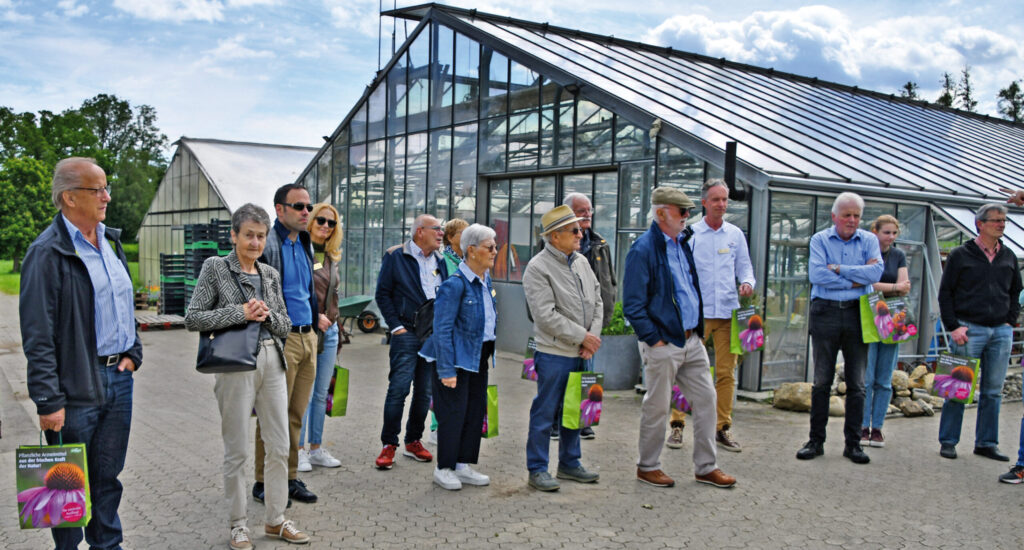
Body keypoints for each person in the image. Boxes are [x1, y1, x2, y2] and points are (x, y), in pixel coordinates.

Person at [21, 157, 143, 550]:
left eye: (107, 187)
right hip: (74, 387)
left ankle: (108, 545)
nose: (107, 197)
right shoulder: (47, 252)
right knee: (67, 483)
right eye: (98, 189)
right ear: (70, 198)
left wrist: (133, 352)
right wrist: (47, 399)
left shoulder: (110, 241)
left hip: (118, 379)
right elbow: (37, 334)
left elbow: (123, 303)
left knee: (108, 477)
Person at [185, 203, 310, 548]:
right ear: (234, 235)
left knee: (280, 445)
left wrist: (267, 315)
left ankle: (275, 519)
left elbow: (285, 324)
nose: (255, 243)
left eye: (261, 236)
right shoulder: (215, 267)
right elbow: (193, 317)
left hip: (273, 361)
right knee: (237, 449)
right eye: (249, 235)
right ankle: (238, 524)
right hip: (235, 363)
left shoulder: (269, 274)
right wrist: (239, 312)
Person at [623, 187, 736, 489]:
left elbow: (689, 288)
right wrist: (654, 339)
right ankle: (647, 467)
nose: (688, 216)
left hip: (691, 340)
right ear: (661, 213)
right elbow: (633, 304)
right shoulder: (643, 250)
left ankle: (706, 467)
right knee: (657, 406)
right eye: (682, 211)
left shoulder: (681, 243)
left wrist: (696, 332)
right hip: (664, 342)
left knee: (707, 399)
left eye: (688, 211)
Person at [666, 180, 755, 452]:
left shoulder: (735, 234)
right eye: (716, 199)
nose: (722, 204)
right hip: (698, 316)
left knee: (727, 373)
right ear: (704, 202)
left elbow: (745, 268)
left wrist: (747, 283)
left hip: (728, 312)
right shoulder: (691, 233)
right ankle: (677, 425)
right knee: (684, 369)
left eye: (725, 199)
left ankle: (722, 427)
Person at [796, 192, 882, 465]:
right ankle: (816, 441)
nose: (852, 220)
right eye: (847, 215)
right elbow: (817, 275)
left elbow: (876, 273)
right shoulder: (819, 240)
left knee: (857, 383)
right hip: (826, 312)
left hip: (858, 314)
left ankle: (853, 444)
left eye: (856, 215)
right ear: (834, 216)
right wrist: (856, 278)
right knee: (822, 381)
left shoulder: (869, 240)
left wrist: (838, 269)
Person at [523, 204, 604, 492]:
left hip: (583, 351)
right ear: (555, 236)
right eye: (574, 231)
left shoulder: (581, 261)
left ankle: (570, 463)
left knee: (576, 409)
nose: (581, 234)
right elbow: (545, 316)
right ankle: (537, 468)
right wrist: (583, 337)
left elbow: (598, 300)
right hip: (554, 353)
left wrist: (591, 339)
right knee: (545, 412)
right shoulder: (537, 268)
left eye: (579, 229)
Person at [252, 183, 320, 505]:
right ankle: (263, 481)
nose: (306, 212)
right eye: (299, 206)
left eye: (308, 206)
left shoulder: (304, 242)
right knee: (272, 414)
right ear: (280, 209)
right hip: (281, 338)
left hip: (308, 337)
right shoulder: (268, 243)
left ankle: (290, 477)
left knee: (295, 414)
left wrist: (315, 330)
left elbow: (307, 290)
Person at [938, 203, 1021, 462]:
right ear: (980, 224)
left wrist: (1009, 322)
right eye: (996, 220)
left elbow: (1015, 292)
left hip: (1000, 331)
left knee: (993, 391)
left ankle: (986, 443)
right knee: (957, 388)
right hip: (968, 330)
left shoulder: (1008, 256)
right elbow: (945, 293)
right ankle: (948, 441)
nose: (1001, 225)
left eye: (1003, 221)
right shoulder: (960, 255)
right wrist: (953, 326)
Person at [419, 224, 499, 490]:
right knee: (453, 413)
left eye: (495, 246)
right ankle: (443, 468)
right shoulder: (454, 285)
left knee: (474, 411)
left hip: (479, 355)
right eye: (490, 247)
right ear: (472, 250)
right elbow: (442, 329)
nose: (495, 251)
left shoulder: (486, 281)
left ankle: (462, 464)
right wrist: (446, 370)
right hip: (455, 359)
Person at [374, 214, 450, 469]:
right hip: (405, 332)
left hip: (431, 336)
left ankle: (413, 441)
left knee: (424, 392)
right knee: (399, 389)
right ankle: (389, 444)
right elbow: (383, 294)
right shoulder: (396, 255)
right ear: (420, 231)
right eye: (436, 229)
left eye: (441, 229)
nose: (441, 233)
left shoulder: (440, 260)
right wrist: (396, 327)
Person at [561, 193, 616, 440]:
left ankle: (584, 421)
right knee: (561, 373)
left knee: (586, 371)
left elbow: (608, 283)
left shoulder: (600, 244)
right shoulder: (555, 242)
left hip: (592, 321)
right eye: (581, 210)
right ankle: (558, 420)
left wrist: (602, 321)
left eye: (589, 210)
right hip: (565, 323)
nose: (587, 214)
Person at [297, 203, 344, 472]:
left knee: (321, 394)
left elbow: (332, 294)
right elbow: (293, 292)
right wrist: (314, 316)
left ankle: (315, 448)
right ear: (311, 221)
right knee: (303, 393)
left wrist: (335, 322)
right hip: (308, 329)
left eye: (332, 223)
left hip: (331, 331)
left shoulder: (331, 256)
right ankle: (298, 450)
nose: (326, 226)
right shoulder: (300, 251)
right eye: (321, 220)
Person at [861, 215, 910, 448]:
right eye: (886, 232)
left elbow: (905, 287)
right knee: (867, 377)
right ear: (875, 232)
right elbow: (866, 283)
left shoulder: (898, 255)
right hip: (869, 316)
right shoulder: (865, 253)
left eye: (894, 233)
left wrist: (891, 287)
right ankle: (863, 425)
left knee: (884, 378)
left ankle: (878, 427)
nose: (890, 237)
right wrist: (894, 287)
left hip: (893, 316)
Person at [428, 218, 469, 446]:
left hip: (465, 331)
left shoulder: (469, 262)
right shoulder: (443, 262)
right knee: (444, 379)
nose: (467, 237)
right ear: (451, 238)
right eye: (463, 233)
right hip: (447, 329)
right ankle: (437, 427)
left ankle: (456, 425)